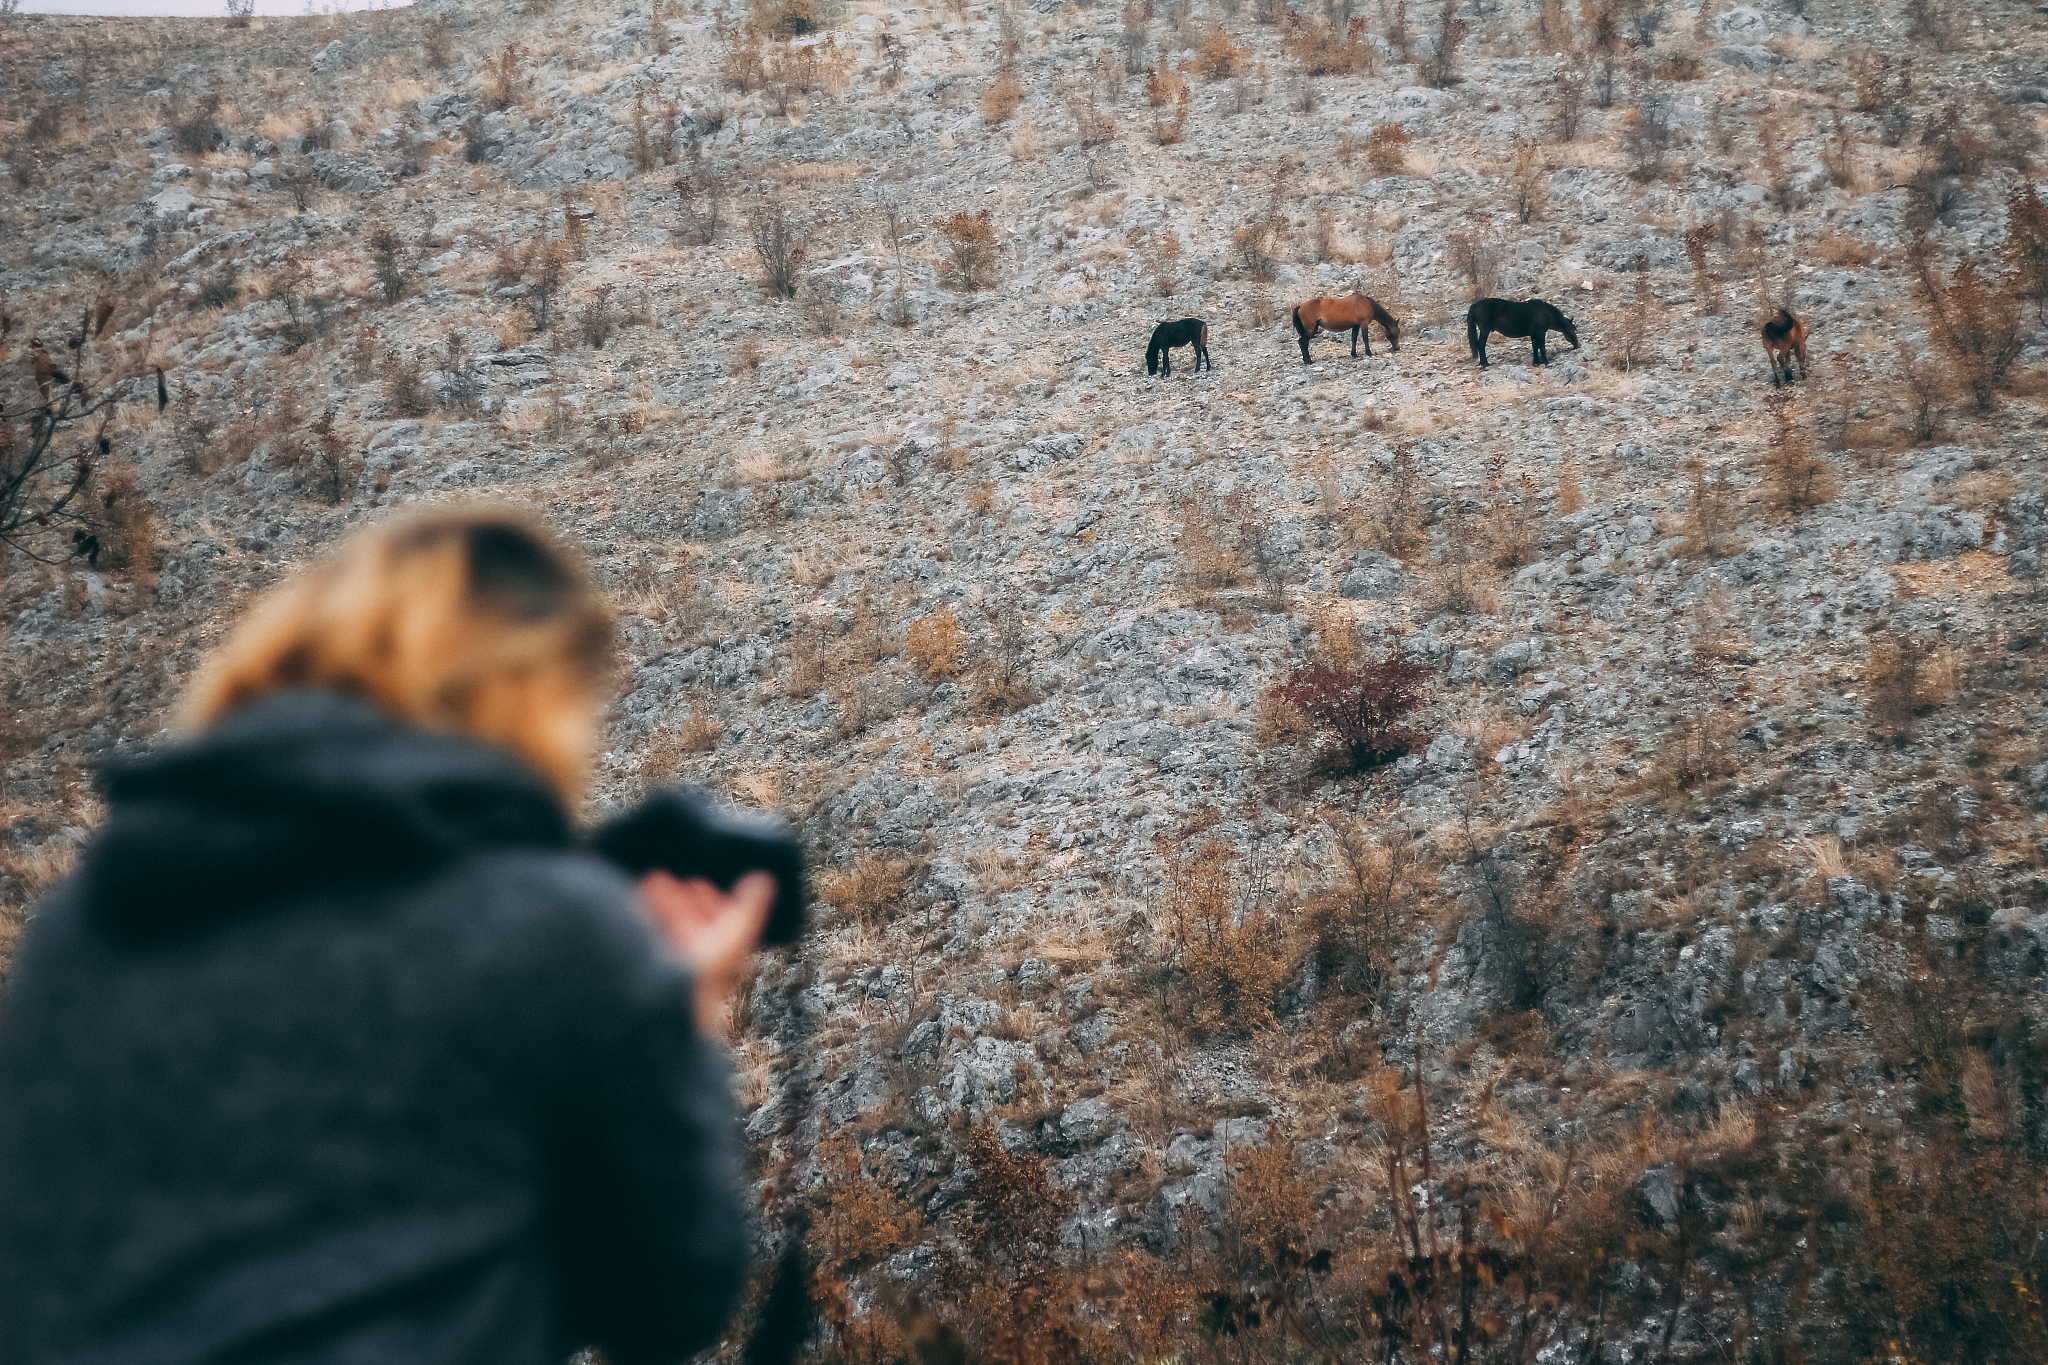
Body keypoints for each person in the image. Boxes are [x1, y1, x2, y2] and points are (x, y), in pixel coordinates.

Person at [0, 509, 773, 1365]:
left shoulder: (80, 929)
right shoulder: (543, 927)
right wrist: (679, 1023)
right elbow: (667, 1297)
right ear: (515, 697)